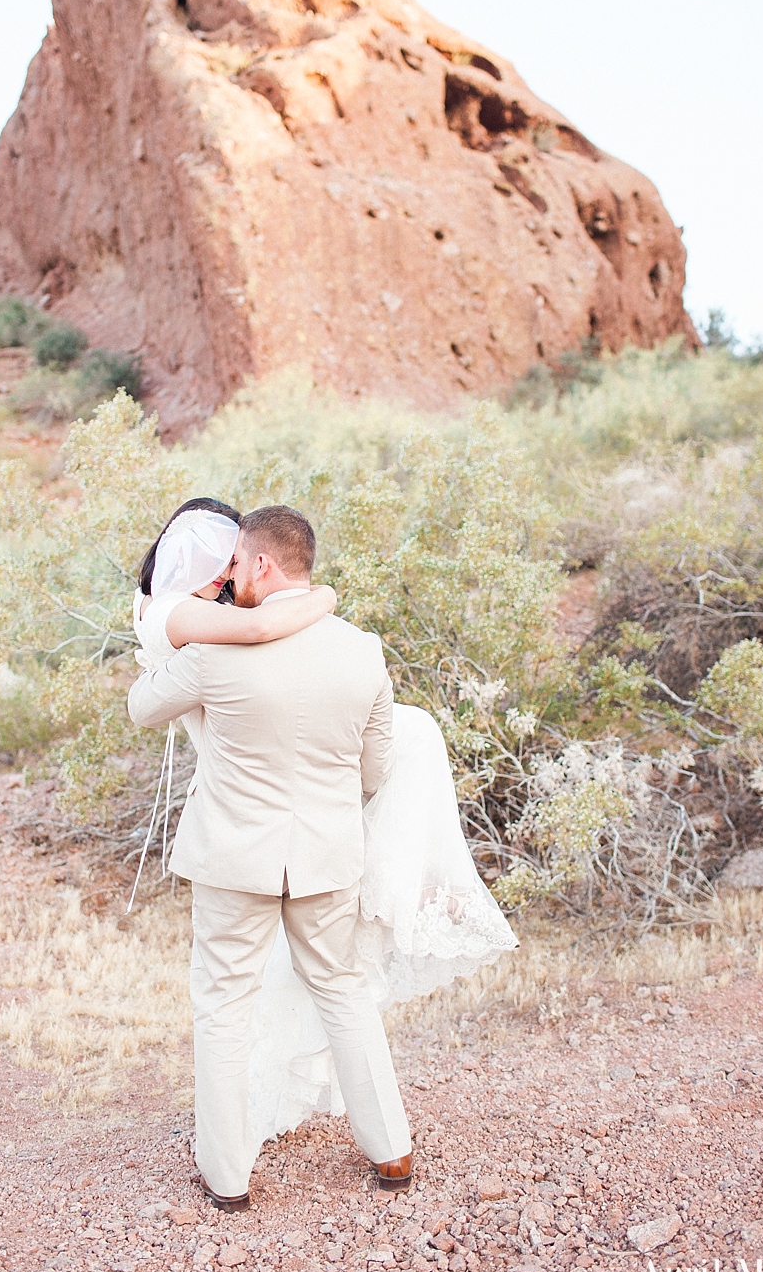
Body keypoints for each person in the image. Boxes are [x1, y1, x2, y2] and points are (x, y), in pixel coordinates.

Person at [129, 501, 517, 1211]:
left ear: (263, 563)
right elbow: (374, 767)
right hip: (328, 853)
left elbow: (141, 707)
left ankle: (226, 1178)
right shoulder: (361, 649)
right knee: (343, 994)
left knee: (223, 1006)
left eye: (237, 563)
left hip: (232, 859)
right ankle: (390, 1151)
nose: (228, 578)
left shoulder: (213, 652)